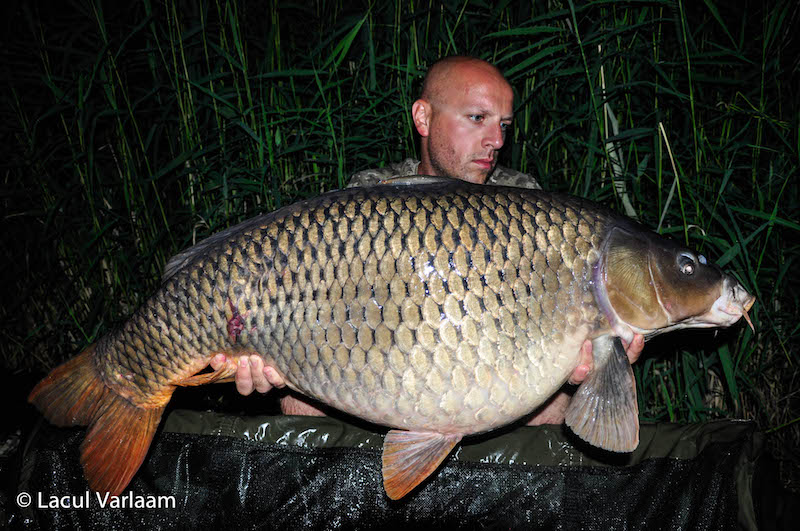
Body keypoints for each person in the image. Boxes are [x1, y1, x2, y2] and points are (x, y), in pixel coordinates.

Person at [210, 56, 644, 424]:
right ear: (423, 117)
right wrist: (266, 354)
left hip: (491, 383)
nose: (495, 141)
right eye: (477, 119)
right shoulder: (371, 194)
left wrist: (581, 364)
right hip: (383, 367)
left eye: (503, 125)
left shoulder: (524, 201)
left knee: (564, 388)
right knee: (295, 388)